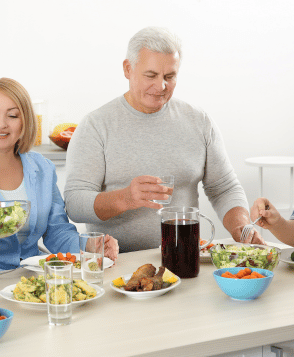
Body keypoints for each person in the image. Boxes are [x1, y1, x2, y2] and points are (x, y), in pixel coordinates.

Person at [64, 26, 262, 253]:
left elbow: (223, 188)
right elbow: (75, 204)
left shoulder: (199, 121)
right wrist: (126, 198)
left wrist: (242, 227)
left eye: (170, 76)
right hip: (118, 263)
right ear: (128, 68)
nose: (161, 86)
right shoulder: (95, 126)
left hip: (184, 256)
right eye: (151, 75)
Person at [0, 78, 118, 272]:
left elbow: (57, 231)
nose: (1, 124)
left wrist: (90, 246)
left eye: (12, 116)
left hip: (25, 278)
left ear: (24, 122)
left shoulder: (42, 168)